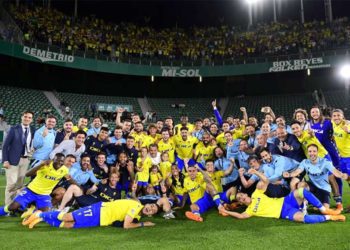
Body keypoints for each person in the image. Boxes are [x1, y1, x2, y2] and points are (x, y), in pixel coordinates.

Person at [219, 168, 345, 223]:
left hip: (286, 201)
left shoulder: (257, 193)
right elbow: (240, 216)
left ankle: (324, 210)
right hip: (284, 212)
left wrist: (256, 172)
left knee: (301, 191)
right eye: (240, 199)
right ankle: (331, 218)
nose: (242, 198)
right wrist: (225, 210)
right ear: (241, 202)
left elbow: (266, 181)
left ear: (245, 194)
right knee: (303, 219)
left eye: (241, 195)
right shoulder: (250, 210)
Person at [0, 154, 69, 217]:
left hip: (44, 195)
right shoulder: (45, 165)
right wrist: (41, 165)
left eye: (62, 161)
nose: (60, 162)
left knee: (46, 214)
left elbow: (69, 178)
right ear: (53, 159)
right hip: (30, 191)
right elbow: (27, 174)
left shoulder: (65, 170)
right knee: (13, 206)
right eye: (58, 160)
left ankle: (31, 212)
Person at [283, 144, 348, 209]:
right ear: (308, 152)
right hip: (312, 187)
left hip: (323, 189)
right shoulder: (304, 162)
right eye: (310, 151)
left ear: (317, 152)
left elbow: (335, 172)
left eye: (314, 151)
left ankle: (316, 204)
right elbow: (297, 171)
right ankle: (302, 206)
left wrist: (342, 175)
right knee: (301, 184)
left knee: (325, 210)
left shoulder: (325, 162)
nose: (312, 153)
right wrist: (289, 174)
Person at [23, 199, 157, 229]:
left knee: (71, 225)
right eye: (151, 205)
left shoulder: (137, 215)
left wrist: (140, 221)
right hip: (99, 210)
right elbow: (126, 226)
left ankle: (40, 218)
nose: (150, 209)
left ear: (150, 214)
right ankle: (39, 214)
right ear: (146, 204)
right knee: (68, 217)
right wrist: (144, 224)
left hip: (101, 220)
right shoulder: (136, 206)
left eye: (153, 210)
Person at [2, 111, 35, 205]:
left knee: (20, 185)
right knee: (11, 184)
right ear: (22, 117)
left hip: (25, 160)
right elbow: (5, 145)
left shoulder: (32, 129)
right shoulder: (13, 129)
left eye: (29, 117)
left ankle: (15, 206)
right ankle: (7, 208)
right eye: (25, 117)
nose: (27, 119)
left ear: (31, 119)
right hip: (12, 160)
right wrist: (5, 160)